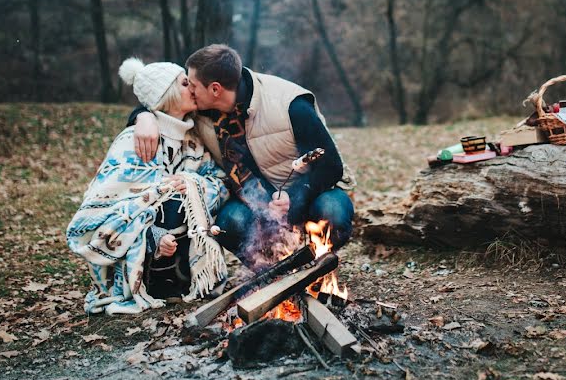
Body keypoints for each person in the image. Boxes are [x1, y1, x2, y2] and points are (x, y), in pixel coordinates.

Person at [130, 44, 355, 268]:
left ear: (215, 89)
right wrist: (142, 116)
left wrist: (293, 197)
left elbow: (332, 166)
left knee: (332, 211)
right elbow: (164, 102)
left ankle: (317, 268)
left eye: (193, 85)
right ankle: (271, 270)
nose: (189, 90)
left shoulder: (290, 105)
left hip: (307, 193)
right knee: (229, 223)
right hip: (253, 202)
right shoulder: (201, 107)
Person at [66, 58, 229, 315]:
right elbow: (110, 206)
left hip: (182, 252)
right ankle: (149, 281)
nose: (194, 89)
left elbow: (218, 182)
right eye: (185, 83)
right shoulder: (133, 140)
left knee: (185, 194)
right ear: (168, 93)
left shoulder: (194, 141)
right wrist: (152, 237)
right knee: (171, 199)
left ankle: (182, 279)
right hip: (145, 249)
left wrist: (192, 183)